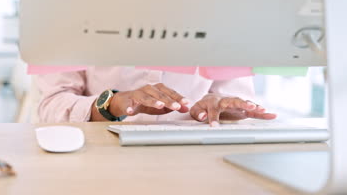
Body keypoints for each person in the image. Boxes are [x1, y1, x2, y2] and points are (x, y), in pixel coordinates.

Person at [36, 66, 277, 126]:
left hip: (194, 160)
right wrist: (114, 103)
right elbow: (51, 105)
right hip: (98, 158)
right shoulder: (77, 4)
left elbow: (235, 98)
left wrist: (222, 107)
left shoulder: (220, 6)